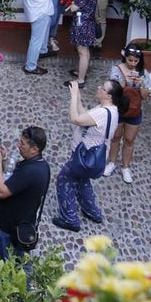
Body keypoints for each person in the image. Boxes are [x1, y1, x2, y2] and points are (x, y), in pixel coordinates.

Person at [52, 80, 126, 232]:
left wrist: (73, 96)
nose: (98, 88)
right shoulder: (110, 110)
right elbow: (86, 116)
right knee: (82, 182)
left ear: (109, 95)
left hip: (83, 157)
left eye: (102, 88)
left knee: (64, 180)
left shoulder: (103, 113)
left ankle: (70, 219)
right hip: (92, 159)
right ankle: (93, 212)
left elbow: (76, 119)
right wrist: (78, 96)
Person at [0, 125, 51, 260]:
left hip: (9, 230)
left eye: (22, 144)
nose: (18, 145)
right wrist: (3, 160)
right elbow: (9, 181)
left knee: (3, 265)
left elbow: (1, 191)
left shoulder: (30, 171)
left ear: (34, 149)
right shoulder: (41, 165)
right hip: (20, 224)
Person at [103, 44, 150, 184]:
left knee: (129, 139)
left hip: (134, 110)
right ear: (125, 58)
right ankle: (111, 162)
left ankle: (126, 167)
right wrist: (124, 82)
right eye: (130, 60)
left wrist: (141, 84)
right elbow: (112, 91)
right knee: (115, 137)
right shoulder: (116, 70)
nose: (133, 63)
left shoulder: (143, 73)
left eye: (136, 61)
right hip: (118, 110)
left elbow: (145, 96)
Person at [65, 0, 98, 87]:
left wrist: (72, 4)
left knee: (82, 52)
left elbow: (74, 8)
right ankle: (81, 73)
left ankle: (80, 80)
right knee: (85, 51)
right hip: (87, 22)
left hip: (82, 24)